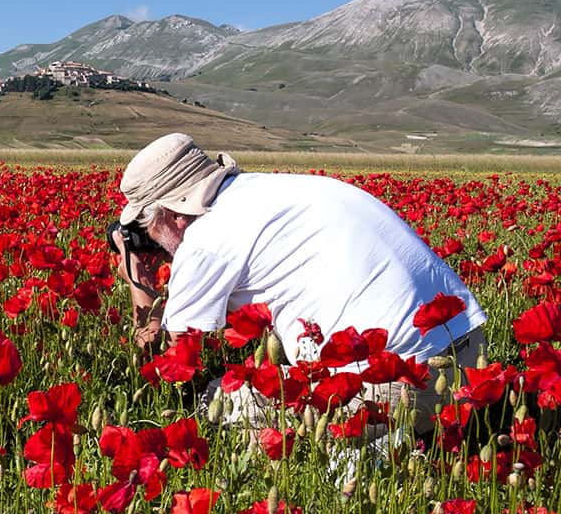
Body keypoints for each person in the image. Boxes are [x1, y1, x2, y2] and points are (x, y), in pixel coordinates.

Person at [109, 133, 488, 437]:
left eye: (147, 229)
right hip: (472, 368)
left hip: (394, 388)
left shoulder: (205, 239)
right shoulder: (279, 190)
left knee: (214, 399)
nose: (153, 243)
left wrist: (137, 281)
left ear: (173, 215)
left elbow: (170, 363)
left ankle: (362, 456)